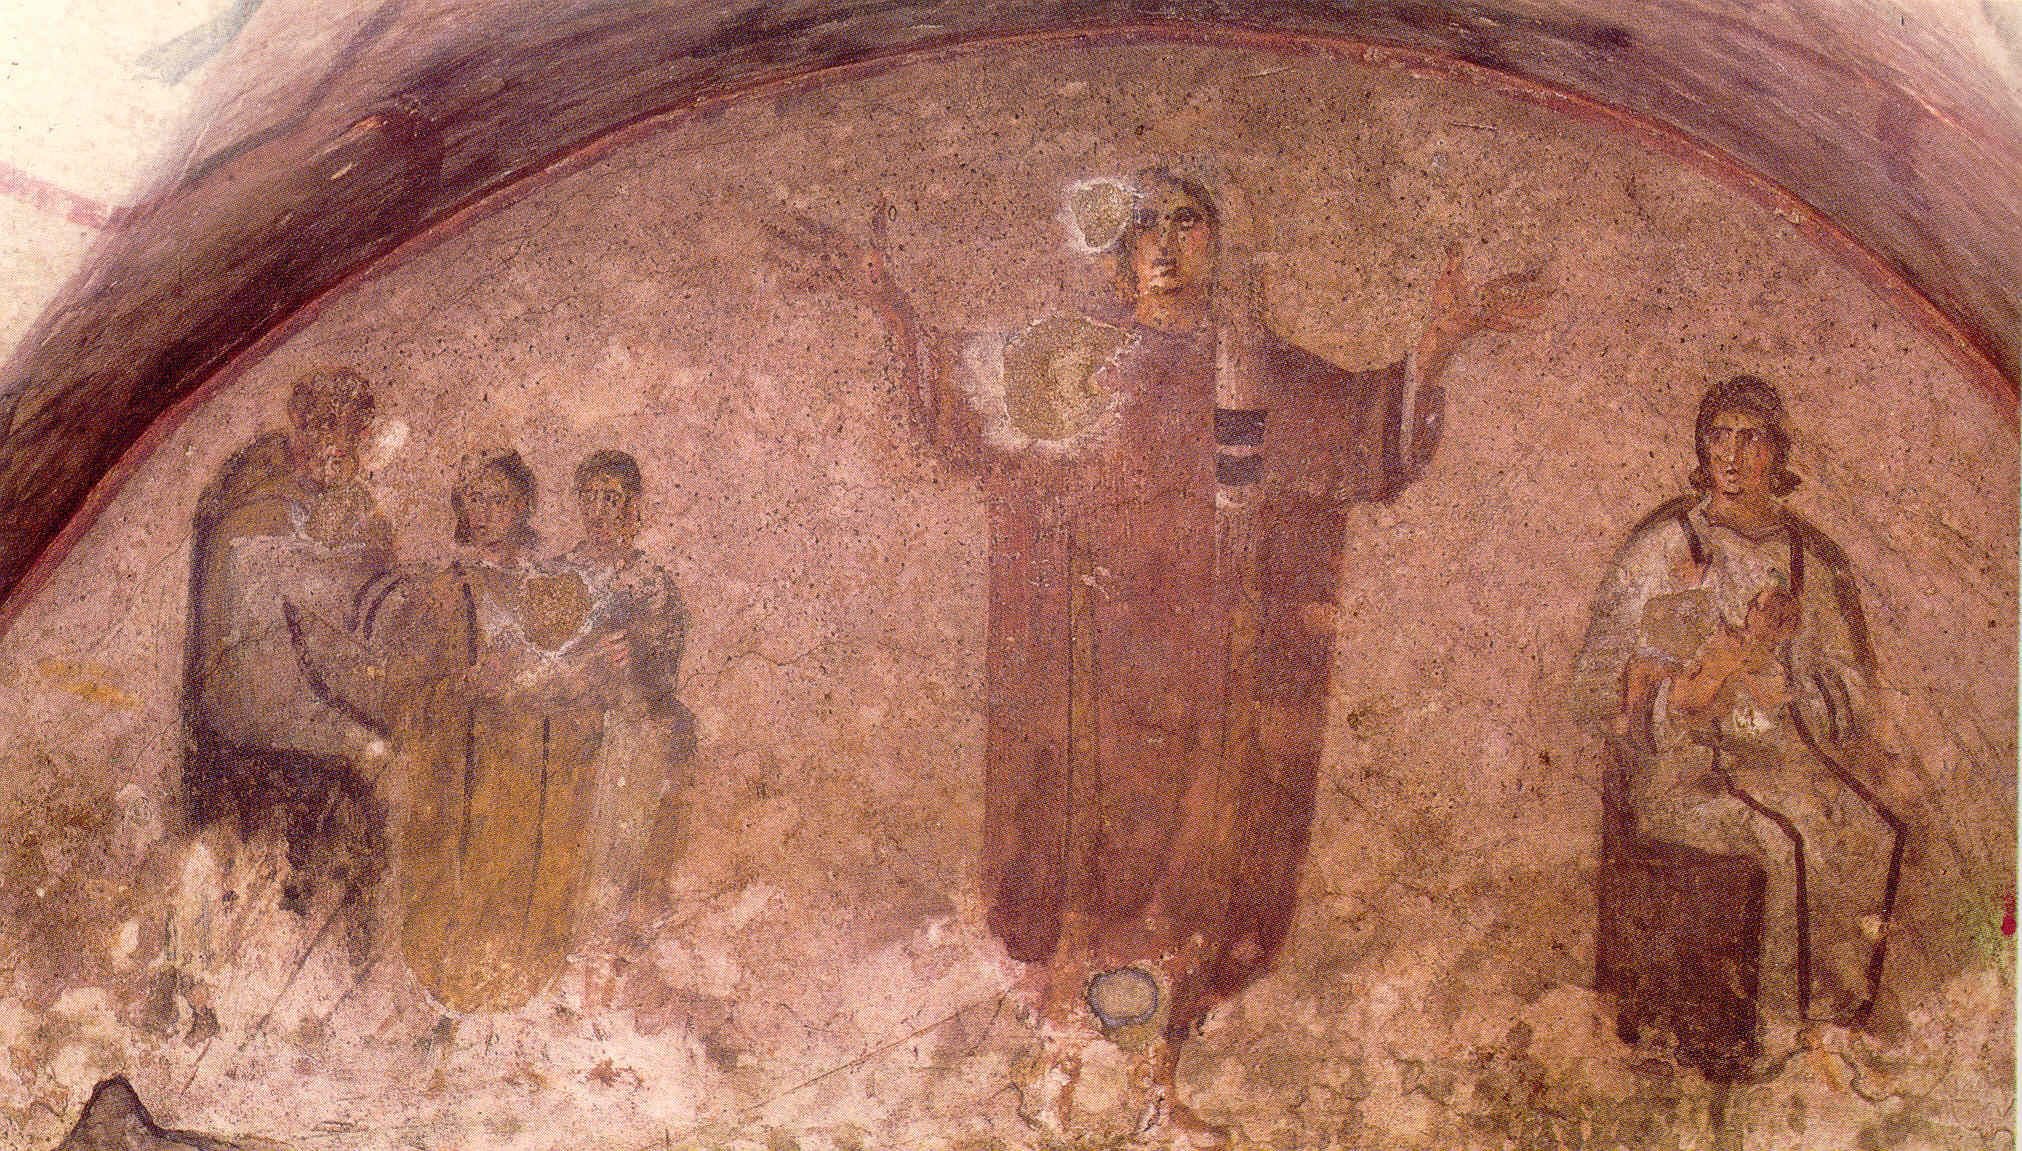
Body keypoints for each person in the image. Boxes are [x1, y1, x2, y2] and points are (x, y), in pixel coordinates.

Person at [808, 169, 1542, 1141]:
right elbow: (958, 406)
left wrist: (1440, 345)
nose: (1163, 243)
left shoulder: (1251, 368)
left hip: (1213, 668)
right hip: (1088, 665)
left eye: (1186, 222)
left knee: (1201, 863)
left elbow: (1366, 436)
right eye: (1143, 226)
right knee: (1079, 857)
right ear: (1119, 254)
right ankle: (1059, 1068)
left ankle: (1158, 1086)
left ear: (1215, 242)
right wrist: (891, 308)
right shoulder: (1069, 357)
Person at [1572, 376, 1906, 1065]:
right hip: (1680, 771)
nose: (1730, 455)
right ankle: (1777, 1033)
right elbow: (1592, 687)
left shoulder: (1813, 562)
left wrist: (1788, 689)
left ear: (1777, 453)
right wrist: (1678, 694)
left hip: (1784, 760)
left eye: (1750, 439)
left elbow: (1856, 691)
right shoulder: (1661, 547)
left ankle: (1836, 1022)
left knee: (1870, 829)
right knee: (1779, 843)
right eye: (1717, 437)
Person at [300, 449, 609, 1016]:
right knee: (458, 890)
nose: (484, 511)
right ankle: (451, 992)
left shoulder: (556, 585)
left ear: (523, 504)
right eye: (473, 498)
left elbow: (580, 684)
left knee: (526, 880)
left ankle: (520, 987)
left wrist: (568, 679)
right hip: (462, 769)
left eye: (497, 498)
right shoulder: (441, 590)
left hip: (533, 767)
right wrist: (465, 685)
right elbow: (404, 692)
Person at [176, 367, 392, 1002]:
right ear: (298, 431)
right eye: (320, 427)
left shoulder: (362, 521)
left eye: (348, 431)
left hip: (326, 730)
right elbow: (248, 649)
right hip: (255, 733)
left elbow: (370, 633)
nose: (333, 443)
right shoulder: (252, 521)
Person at [560, 449, 696, 1008]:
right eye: (589, 498)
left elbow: (666, 665)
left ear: (633, 507)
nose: (599, 510)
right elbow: (538, 651)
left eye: (611, 499)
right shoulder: (559, 574)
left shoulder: (651, 582)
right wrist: (579, 663)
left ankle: (615, 943)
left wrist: (635, 651)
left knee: (645, 750)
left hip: (629, 715)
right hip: (566, 713)